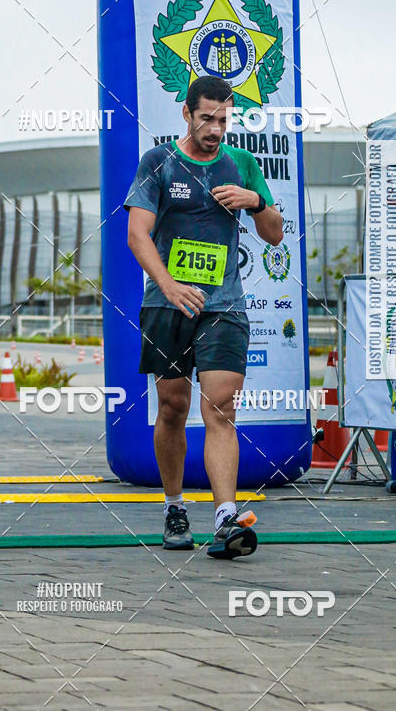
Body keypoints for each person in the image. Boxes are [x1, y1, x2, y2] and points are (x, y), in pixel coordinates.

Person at [125, 75, 283, 559]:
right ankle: (175, 506)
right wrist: (169, 285)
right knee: (172, 407)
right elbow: (137, 233)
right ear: (187, 113)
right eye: (206, 119)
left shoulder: (241, 164)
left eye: (223, 119)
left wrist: (255, 202)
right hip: (168, 305)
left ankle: (224, 518)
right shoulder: (159, 163)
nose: (215, 129)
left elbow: (275, 234)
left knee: (220, 407)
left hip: (224, 307)